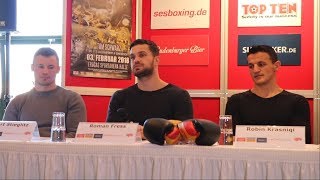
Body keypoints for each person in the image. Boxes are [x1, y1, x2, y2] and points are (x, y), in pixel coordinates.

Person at [225, 45, 311, 144]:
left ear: (276, 66)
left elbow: (303, 145)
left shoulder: (297, 102)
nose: (255, 70)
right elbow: (229, 143)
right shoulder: (235, 102)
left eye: (261, 64)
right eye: (251, 66)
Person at [106, 39, 194, 130]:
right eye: (132, 57)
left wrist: (146, 133)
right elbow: (110, 135)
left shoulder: (179, 96)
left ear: (156, 60)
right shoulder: (120, 97)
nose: (136, 60)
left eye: (142, 55)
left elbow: (185, 137)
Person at [3, 47, 87, 138]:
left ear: (58, 69)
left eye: (51, 67)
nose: (45, 72)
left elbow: (77, 136)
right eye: (41, 66)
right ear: (32, 67)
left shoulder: (73, 99)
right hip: (25, 151)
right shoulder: (17, 102)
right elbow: (5, 135)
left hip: (60, 151)